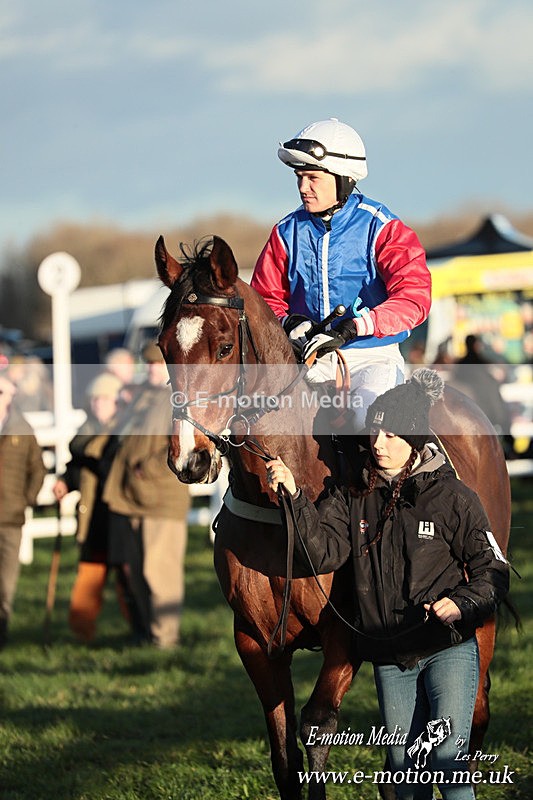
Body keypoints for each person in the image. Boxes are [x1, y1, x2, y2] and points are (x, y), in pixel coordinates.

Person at [266, 369, 509, 800]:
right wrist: (294, 497)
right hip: (389, 656)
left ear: (414, 441)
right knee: (403, 770)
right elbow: (322, 552)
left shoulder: (453, 497)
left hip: (448, 648)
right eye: (375, 432)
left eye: (391, 435)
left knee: (448, 762)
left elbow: (493, 569)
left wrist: (461, 604)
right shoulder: (353, 495)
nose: (377, 444)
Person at [251, 118, 432, 432]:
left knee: (371, 428)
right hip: (309, 361)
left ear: (343, 178)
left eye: (312, 178)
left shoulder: (383, 228)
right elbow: (263, 299)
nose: (302, 188)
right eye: (299, 177)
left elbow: (414, 298)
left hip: (372, 358)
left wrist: (356, 326)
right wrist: (287, 321)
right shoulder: (285, 232)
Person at [103, 342, 190, 649]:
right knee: (140, 571)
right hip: (135, 496)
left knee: (159, 570)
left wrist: (147, 469)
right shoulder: (146, 397)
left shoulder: (177, 399)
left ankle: (166, 638)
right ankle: (151, 633)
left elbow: (181, 445)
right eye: (150, 365)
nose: (152, 369)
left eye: (158, 364)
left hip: (162, 497)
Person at [53, 371, 132, 643]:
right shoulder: (85, 432)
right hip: (94, 516)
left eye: (105, 398)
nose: (99, 403)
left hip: (120, 516)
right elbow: (77, 468)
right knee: (89, 574)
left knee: (129, 578)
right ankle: (81, 633)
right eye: (95, 398)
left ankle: (140, 629)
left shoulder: (125, 431)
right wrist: (65, 481)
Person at [0, 375, 46, 648]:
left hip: (10, 520)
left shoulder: (21, 428)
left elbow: (37, 468)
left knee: (5, 584)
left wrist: (26, 499)